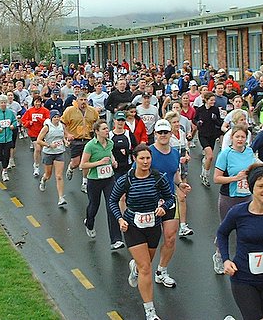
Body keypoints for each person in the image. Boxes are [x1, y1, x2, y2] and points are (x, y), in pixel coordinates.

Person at [217, 164, 263, 320]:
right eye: (261, 186)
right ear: (252, 188)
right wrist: (225, 260)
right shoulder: (238, 212)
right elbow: (222, 233)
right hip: (243, 278)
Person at [108, 144, 174, 320]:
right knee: (146, 268)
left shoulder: (158, 178)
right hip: (132, 226)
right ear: (134, 159)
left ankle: (134, 267)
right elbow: (113, 201)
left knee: (145, 263)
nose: (145, 162)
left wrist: (163, 208)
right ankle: (150, 311)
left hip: (152, 225)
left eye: (148, 158)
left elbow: (169, 198)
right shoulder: (126, 179)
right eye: (142, 158)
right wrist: (120, 219)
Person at [151, 119, 192, 288]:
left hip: (168, 200)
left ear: (170, 134)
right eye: (160, 132)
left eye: (165, 132)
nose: (163, 135)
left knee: (170, 237)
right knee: (150, 242)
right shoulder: (148, 152)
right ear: (155, 134)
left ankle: (161, 270)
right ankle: (140, 266)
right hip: (150, 201)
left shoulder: (175, 153)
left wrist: (180, 184)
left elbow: (174, 175)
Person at [213, 124, 257, 275]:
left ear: (246, 139)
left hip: (246, 196)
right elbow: (217, 179)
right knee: (225, 228)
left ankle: (243, 258)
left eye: (243, 137)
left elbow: (254, 167)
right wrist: (235, 178)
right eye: (237, 136)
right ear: (231, 138)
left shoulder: (250, 152)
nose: (240, 139)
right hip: (229, 197)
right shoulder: (225, 154)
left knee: (246, 228)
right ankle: (219, 255)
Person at [80, 119, 124, 250]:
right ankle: (89, 222)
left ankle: (116, 240)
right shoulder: (90, 146)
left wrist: (113, 161)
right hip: (94, 180)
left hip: (109, 179)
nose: (107, 130)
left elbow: (109, 153)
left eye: (107, 128)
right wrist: (99, 163)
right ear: (97, 131)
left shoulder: (110, 143)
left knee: (112, 206)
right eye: (104, 129)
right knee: (94, 205)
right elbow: (83, 165)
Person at [62, 92, 99, 192]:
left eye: (85, 100)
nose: (83, 102)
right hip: (75, 140)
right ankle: (70, 168)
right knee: (76, 163)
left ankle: (84, 182)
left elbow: (97, 123)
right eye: (81, 100)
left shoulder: (92, 111)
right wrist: (67, 135)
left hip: (88, 139)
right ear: (77, 101)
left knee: (86, 162)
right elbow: (63, 123)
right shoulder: (70, 110)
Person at [164, 111, 193, 237]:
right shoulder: (167, 137)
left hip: (182, 168)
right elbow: (166, 153)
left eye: (177, 121)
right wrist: (177, 159)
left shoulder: (181, 133)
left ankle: (183, 226)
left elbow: (185, 147)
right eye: (174, 122)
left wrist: (186, 155)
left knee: (182, 197)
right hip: (171, 170)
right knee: (177, 197)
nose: (177, 124)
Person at [36, 109, 68, 207]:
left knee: (59, 176)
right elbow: (39, 140)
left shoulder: (62, 126)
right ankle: (43, 180)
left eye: (58, 117)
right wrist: (49, 145)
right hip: (48, 153)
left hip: (59, 152)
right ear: (51, 118)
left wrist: (65, 141)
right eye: (55, 117)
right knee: (48, 174)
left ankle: (61, 198)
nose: (57, 119)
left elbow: (64, 136)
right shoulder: (46, 127)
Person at [193, 92, 223, 187]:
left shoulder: (215, 110)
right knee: (210, 156)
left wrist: (215, 120)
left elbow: (219, 123)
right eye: (211, 100)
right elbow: (194, 119)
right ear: (206, 100)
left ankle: (204, 166)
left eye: (214, 100)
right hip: (202, 135)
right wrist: (198, 123)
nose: (213, 102)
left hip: (212, 135)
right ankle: (205, 176)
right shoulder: (200, 109)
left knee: (208, 158)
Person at [21, 96, 50, 177]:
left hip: (43, 133)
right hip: (33, 133)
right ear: (33, 102)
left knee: (43, 150)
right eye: (36, 101)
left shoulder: (45, 111)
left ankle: (46, 167)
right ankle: (36, 166)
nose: (37, 103)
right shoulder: (30, 111)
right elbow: (24, 121)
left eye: (39, 102)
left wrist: (40, 119)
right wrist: (29, 123)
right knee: (37, 149)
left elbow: (48, 121)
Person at [109, 110, 137, 179]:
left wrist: (128, 151)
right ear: (114, 120)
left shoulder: (129, 134)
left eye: (122, 120)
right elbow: (105, 150)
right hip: (114, 168)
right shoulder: (109, 135)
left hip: (127, 166)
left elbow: (136, 148)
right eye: (118, 120)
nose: (120, 122)